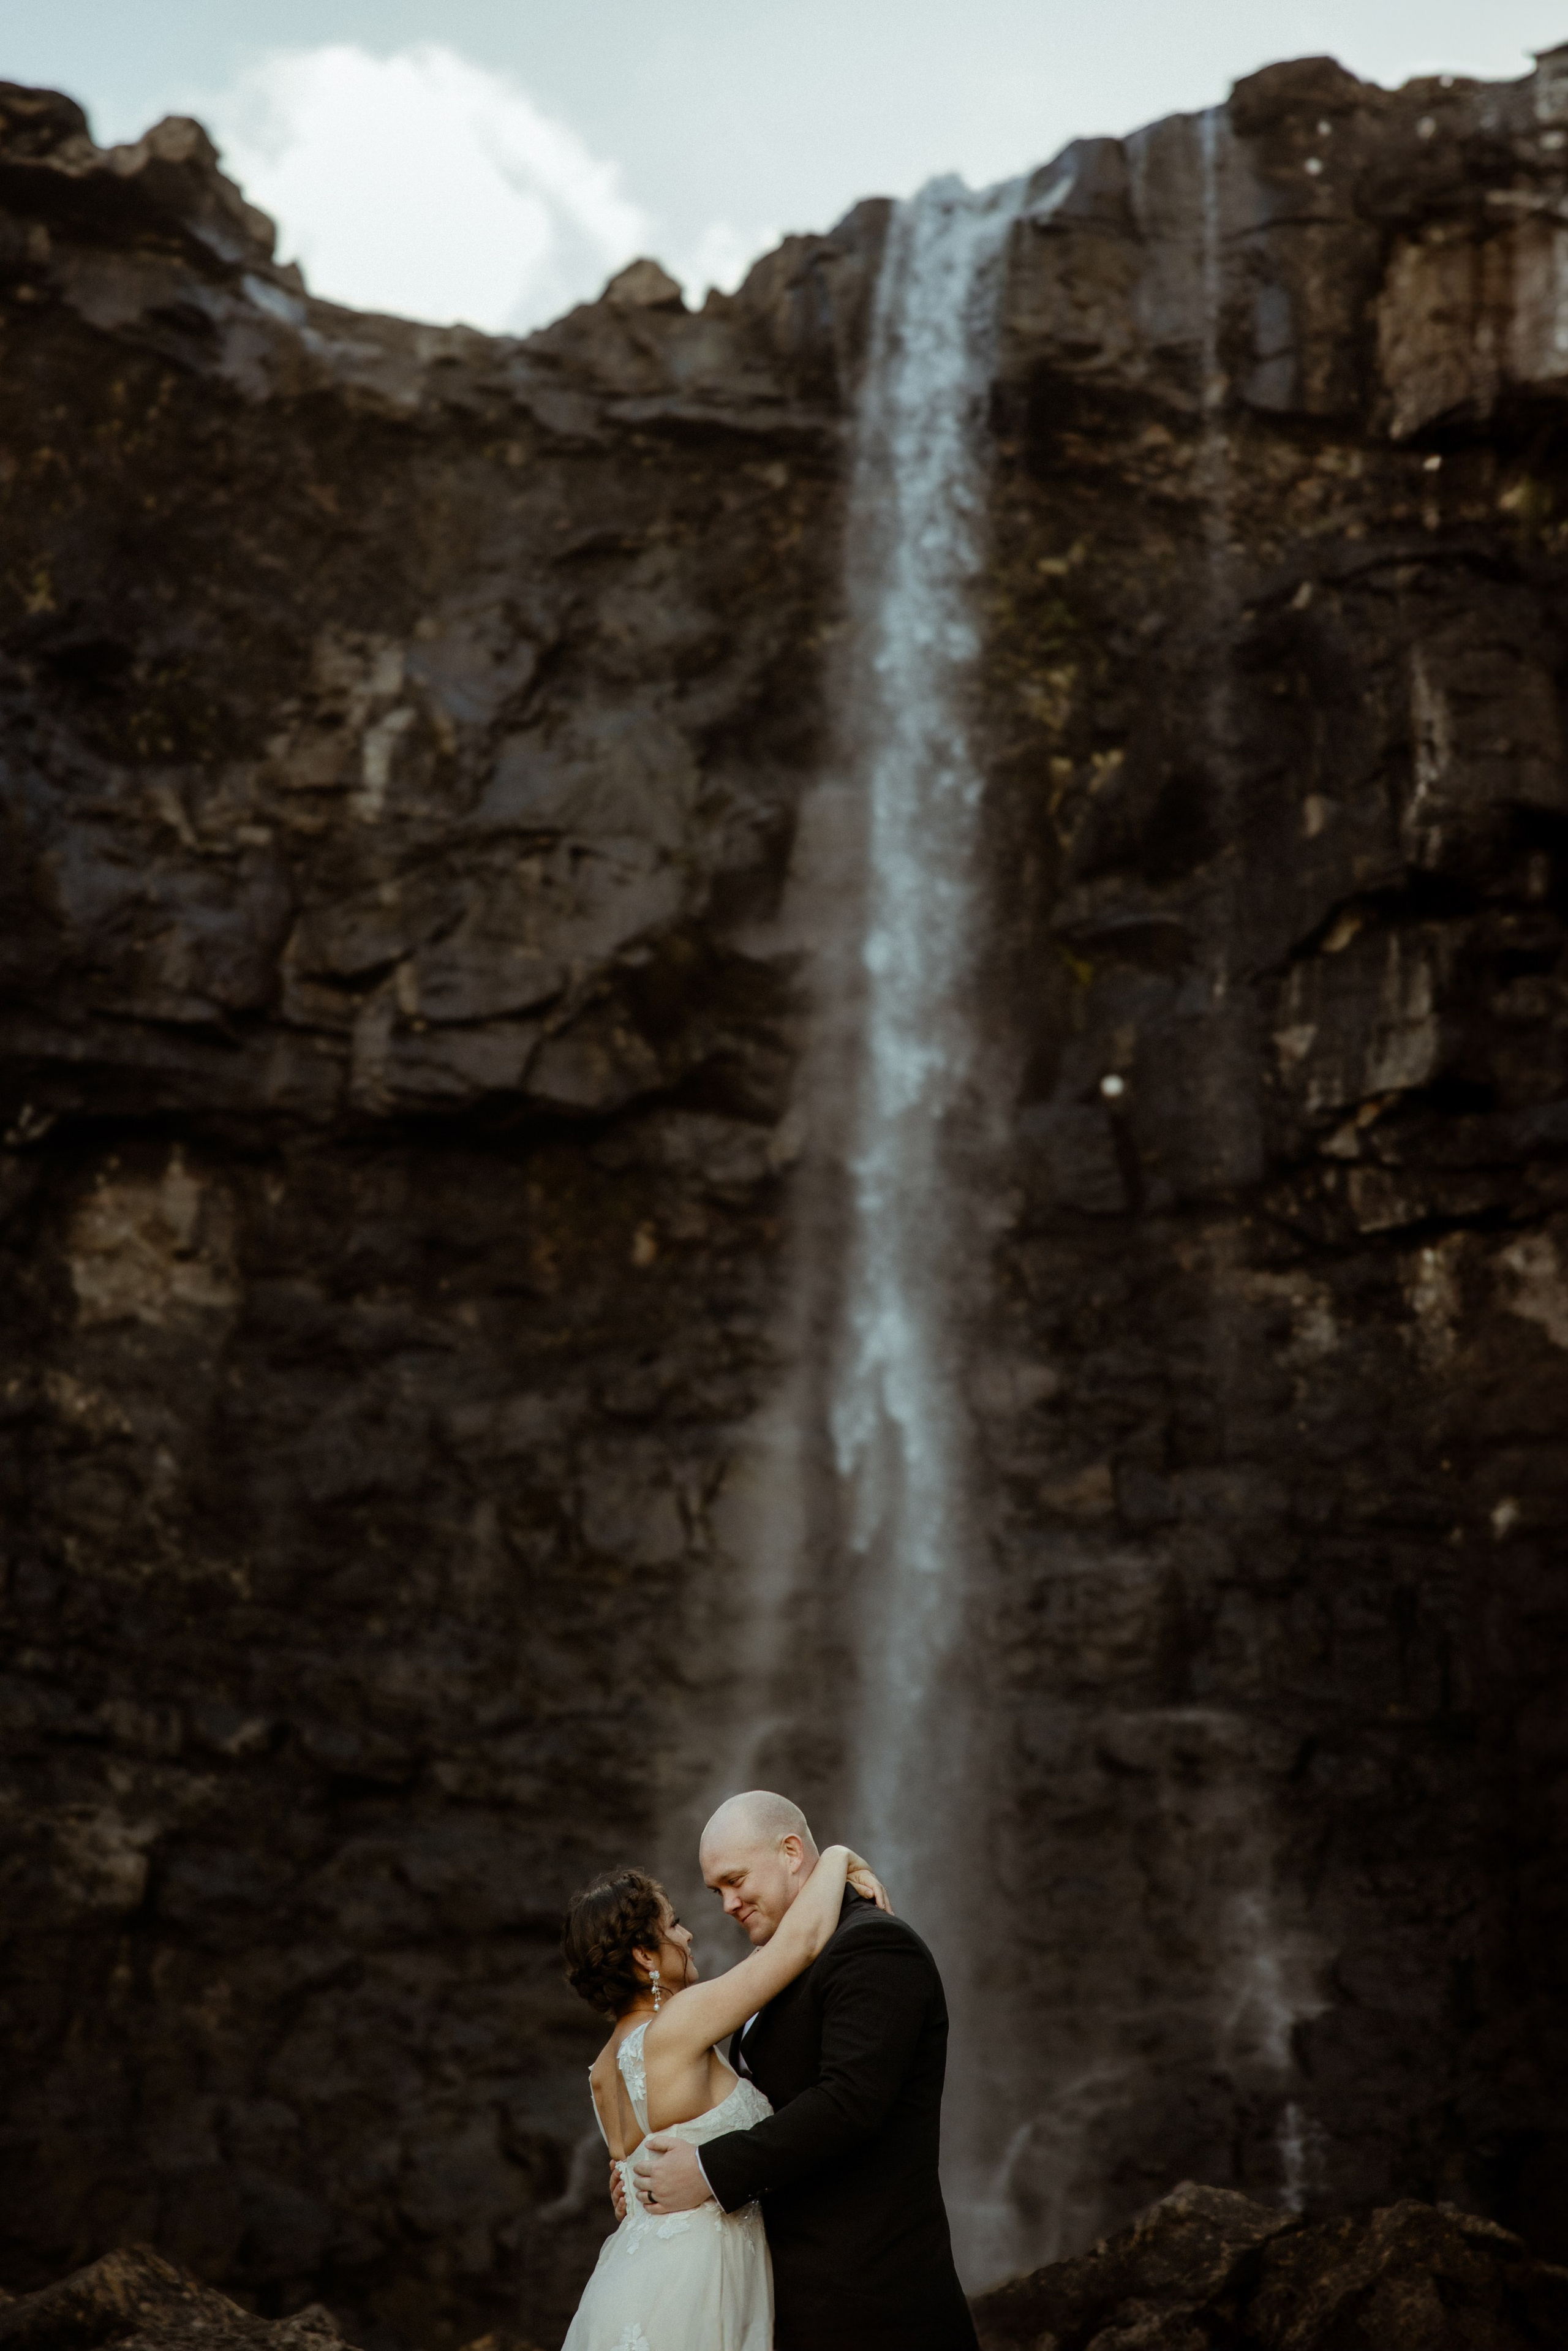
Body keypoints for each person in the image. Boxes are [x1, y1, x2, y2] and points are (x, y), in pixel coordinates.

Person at [630, 1791, 979, 2351]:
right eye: (715, 1891)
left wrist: (708, 2170)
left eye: (735, 1879)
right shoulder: (775, 1967)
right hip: (785, 2298)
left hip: (872, 2302)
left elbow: (849, 2104)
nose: (727, 1905)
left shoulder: (875, 1945)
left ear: (791, 1852)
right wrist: (639, 2175)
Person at [559, 1835, 889, 2351]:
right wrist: (840, 1859)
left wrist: (624, 2191)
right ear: (646, 1955)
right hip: (699, 2279)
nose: (689, 1936)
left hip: (630, 2282)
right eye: (673, 1925)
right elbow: (798, 1946)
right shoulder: (680, 2023)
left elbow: (631, 2189)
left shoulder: (600, 2071)